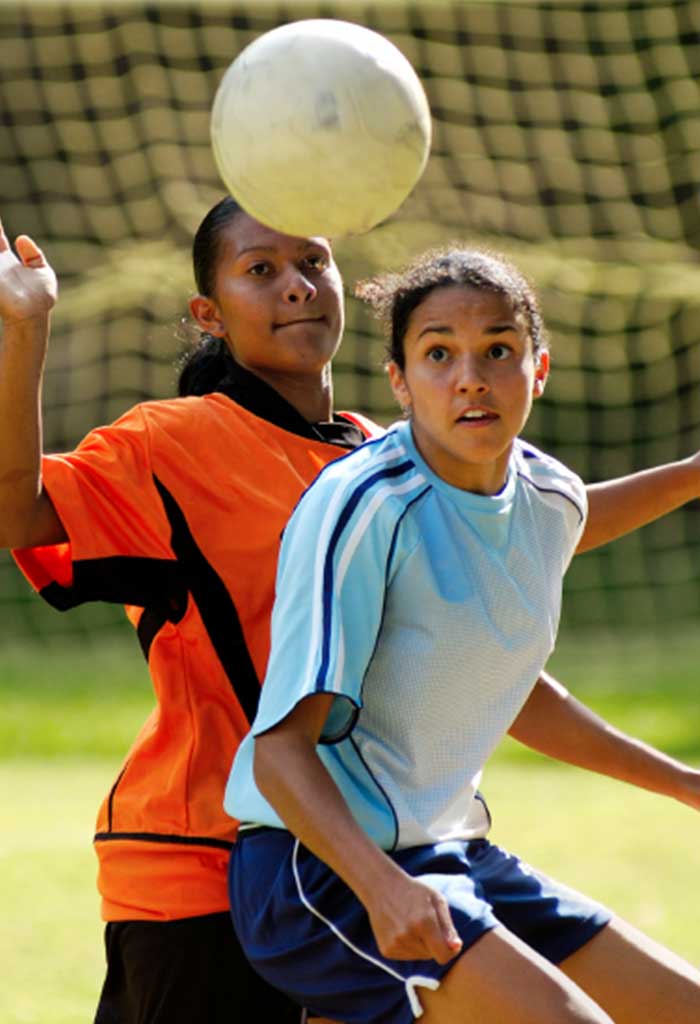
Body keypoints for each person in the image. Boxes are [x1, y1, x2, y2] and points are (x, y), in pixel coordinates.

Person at [224, 245, 700, 1024]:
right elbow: (278, 752)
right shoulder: (364, 506)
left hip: (452, 854)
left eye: (499, 351)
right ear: (399, 381)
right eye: (439, 354)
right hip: (320, 872)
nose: (471, 378)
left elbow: (511, 687)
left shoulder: (546, 495)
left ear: (539, 369)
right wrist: (382, 888)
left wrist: (683, 783)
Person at [0, 196, 380, 1024]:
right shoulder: (168, 444)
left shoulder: (383, 456)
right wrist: (25, 328)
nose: (297, 286)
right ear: (209, 314)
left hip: (359, 860)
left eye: (313, 262)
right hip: (204, 868)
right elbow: (13, 512)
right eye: (261, 269)